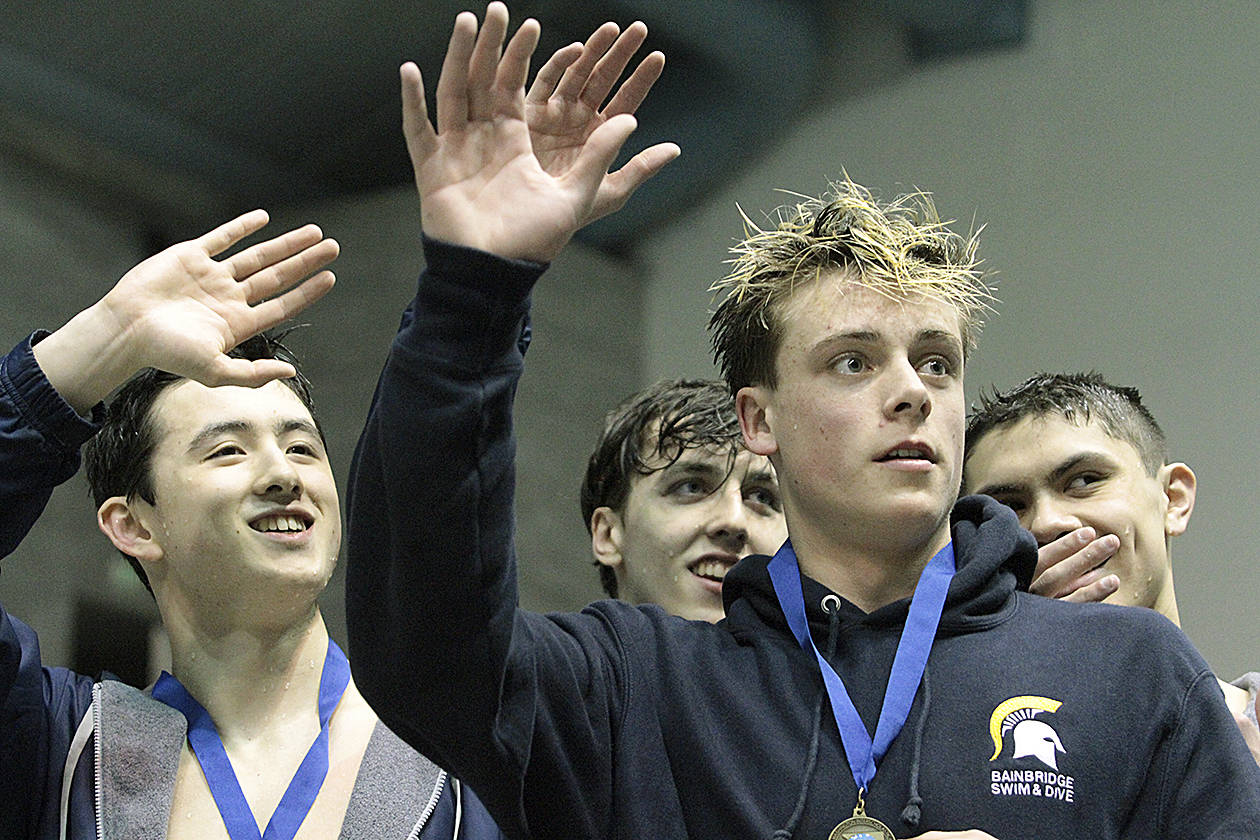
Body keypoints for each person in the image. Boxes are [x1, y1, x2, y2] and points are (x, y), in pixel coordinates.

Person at [344, 4, 1260, 839]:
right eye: (853, 362)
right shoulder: (639, 688)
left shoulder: (1133, 675)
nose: (911, 392)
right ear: (759, 419)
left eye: (935, 361)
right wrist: (474, 293)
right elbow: (426, 650)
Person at [0, 210, 507, 839]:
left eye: (301, 448)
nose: (282, 475)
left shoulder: (457, 769)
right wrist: (106, 338)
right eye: (228, 451)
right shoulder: (61, 753)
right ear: (134, 526)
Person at [962, 371, 1260, 765]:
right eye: (1010, 506)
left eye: (1084, 480)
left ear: (1173, 499)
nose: (1047, 523)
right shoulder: (952, 740)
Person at [581, 379, 786, 622]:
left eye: (761, 496)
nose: (734, 520)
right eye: (692, 487)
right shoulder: (544, 656)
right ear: (608, 534)